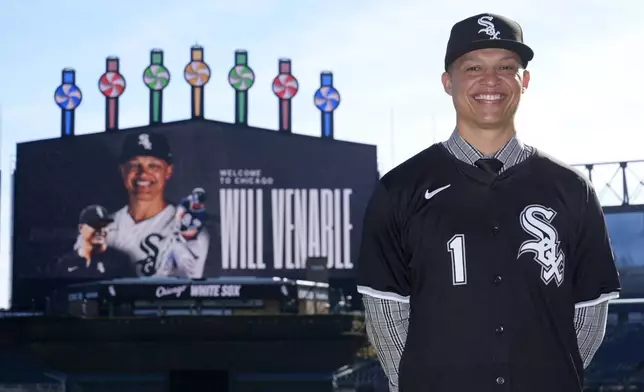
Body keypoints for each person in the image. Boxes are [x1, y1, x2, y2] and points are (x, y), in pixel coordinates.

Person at [356, 13, 621, 392]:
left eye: (506, 67)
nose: (491, 81)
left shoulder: (572, 189)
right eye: (474, 67)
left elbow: (588, 314)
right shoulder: (400, 188)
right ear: (448, 82)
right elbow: (387, 312)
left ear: (524, 81)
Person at [100, 131, 209, 278]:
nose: (143, 174)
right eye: (134, 165)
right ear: (122, 170)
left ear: (168, 171)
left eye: (153, 166)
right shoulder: (103, 227)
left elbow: (187, 285)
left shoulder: (186, 227)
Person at [57, 204, 135, 279]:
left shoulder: (120, 261)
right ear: (81, 228)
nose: (101, 230)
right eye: (95, 226)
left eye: (104, 226)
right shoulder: (65, 263)